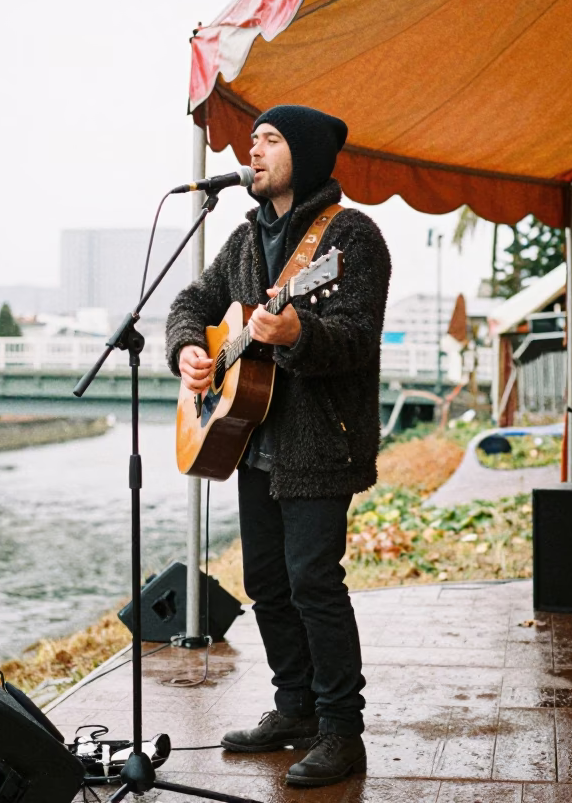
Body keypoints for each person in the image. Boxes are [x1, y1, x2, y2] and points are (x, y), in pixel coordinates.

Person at [165, 105, 391, 787]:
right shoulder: (240, 240)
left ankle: (340, 731)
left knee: (314, 583)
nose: (253, 152)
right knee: (266, 583)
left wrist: (297, 335)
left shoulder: (350, 238)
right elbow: (190, 303)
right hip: (253, 439)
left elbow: (355, 338)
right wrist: (187, 352)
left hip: (322, 445)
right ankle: (293, 707)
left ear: (308, 155)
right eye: (253, 141)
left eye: (270, 141)